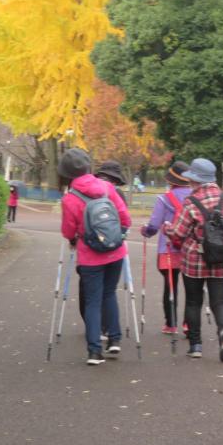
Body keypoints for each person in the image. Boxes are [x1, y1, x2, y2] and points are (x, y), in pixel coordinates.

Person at [59, 148, 132, 365]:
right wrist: (118, 234)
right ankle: (115, 339)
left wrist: (74, 239)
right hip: (115, 250)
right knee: (110, 293)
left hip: (90, 255)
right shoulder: (108, 187)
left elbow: (68, 231)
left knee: (92, 301)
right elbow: (125, 218)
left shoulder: (70, 198)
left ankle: (94, 351)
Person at [163, 158, 223, 361]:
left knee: (193, 301)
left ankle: (196, 345)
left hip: (195, 260)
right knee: (221, 301)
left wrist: (167, 229)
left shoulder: (191, 202)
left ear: (195, 181)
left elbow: (178, 233)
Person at [140, 162, 192, 334]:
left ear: (171, 180)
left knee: (170, 287)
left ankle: (171, 324)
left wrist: (146, 232)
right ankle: (189, 324)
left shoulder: (164, 199)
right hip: (191, 250)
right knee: (192, 289)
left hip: (168, 249)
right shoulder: (196, 197)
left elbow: (154, 225)